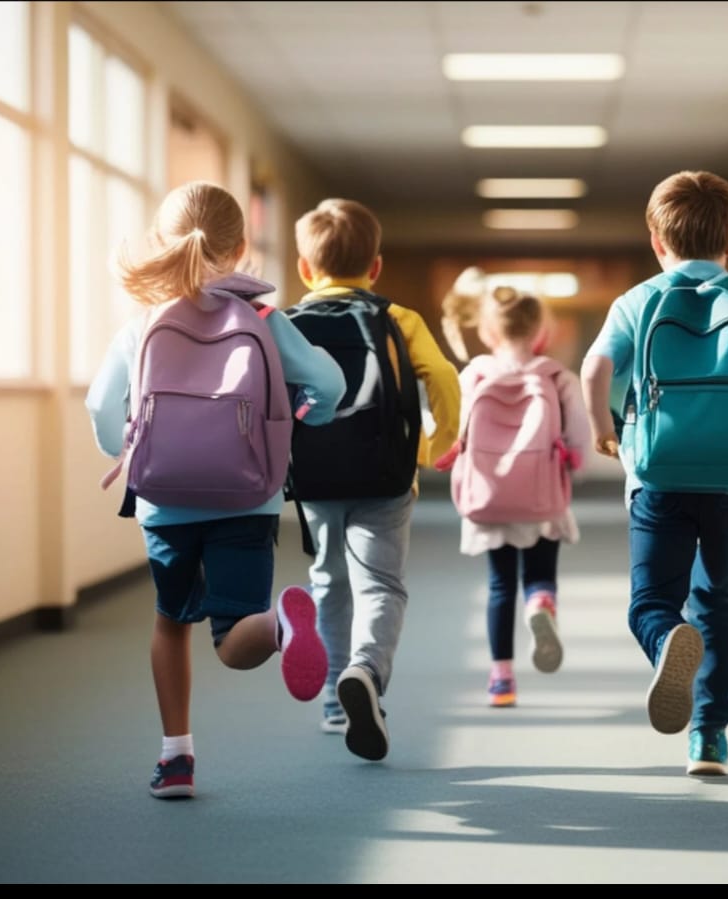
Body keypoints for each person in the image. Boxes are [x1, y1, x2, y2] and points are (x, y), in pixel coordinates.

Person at [86, 181, 345, 799]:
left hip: (165, 500)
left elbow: (101, 406)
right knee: (234, 636)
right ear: (241, 246)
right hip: (247, 495)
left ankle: (176, 758)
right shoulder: (262, 318)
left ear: (162, 243)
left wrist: (124, 446)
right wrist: (296, 420)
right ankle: (281, 624)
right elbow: (328, 385)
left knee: (170, 622)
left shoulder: (142, 324)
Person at [581, 171, 728, 776]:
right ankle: (709, 737)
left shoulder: (637, 301)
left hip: (657, 473)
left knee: (652, 601)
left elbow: (593, 371)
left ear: (657, 241)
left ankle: (665, 642)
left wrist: (603, 431)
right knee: (715, 598)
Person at [286, 199, 461, 761]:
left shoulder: (284, 326)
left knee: (329, 581)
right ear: (376, 267)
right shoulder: (397, 318)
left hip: (314, 476)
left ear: (305, 269)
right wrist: (435, 447)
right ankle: (365, 671)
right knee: (381, 585)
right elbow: (445, 379)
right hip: (385, 474)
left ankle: (336, 701)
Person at [434, 286, 588, 707]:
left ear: (487, 331)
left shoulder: (475, 375)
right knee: (539, 574)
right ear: (541, 332)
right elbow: (580, 442)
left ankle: (502, 679)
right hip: (541, 497)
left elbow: (448, 431)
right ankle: (540, 601)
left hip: (489, 497)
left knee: (500, 585)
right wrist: (572, 463)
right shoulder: (556, 376)